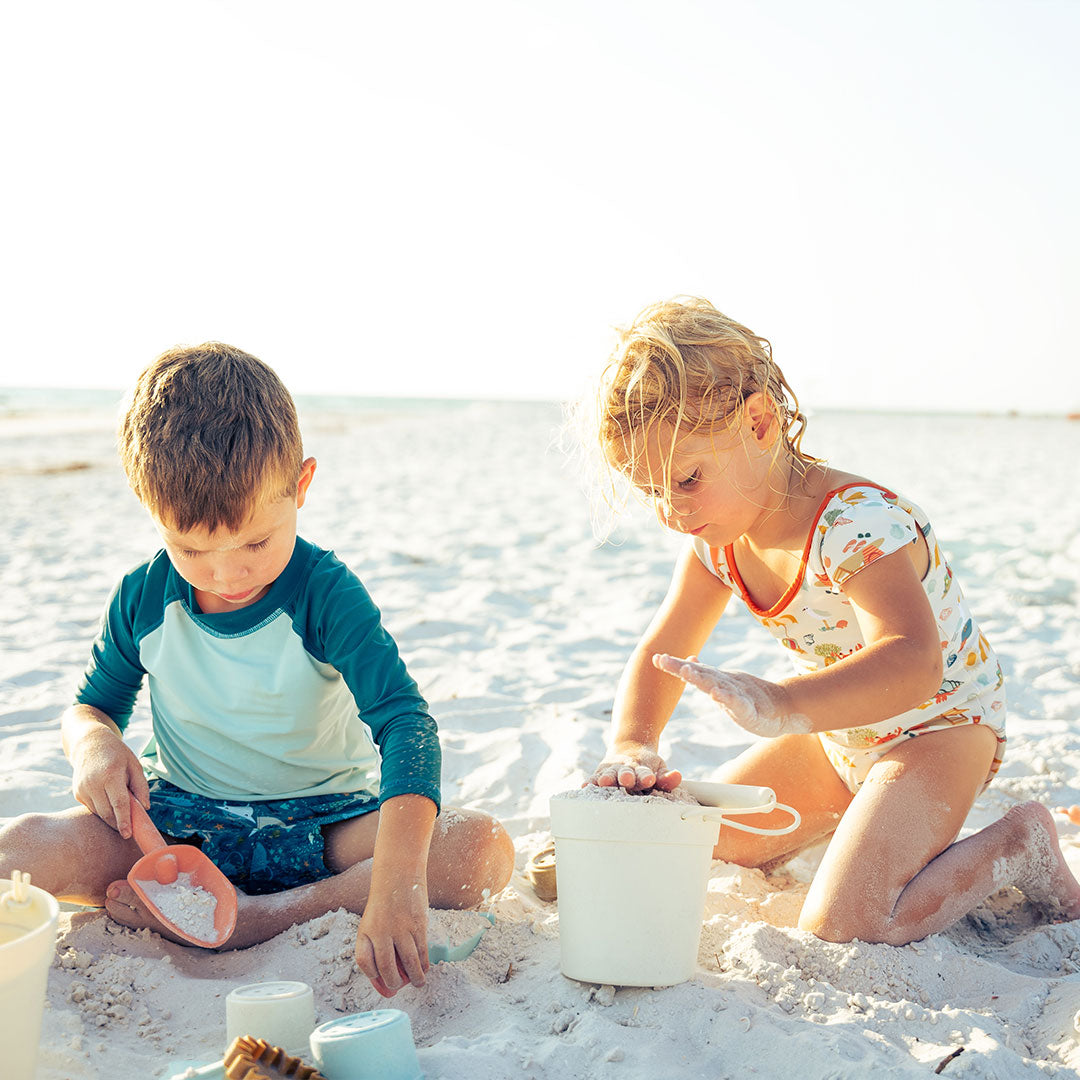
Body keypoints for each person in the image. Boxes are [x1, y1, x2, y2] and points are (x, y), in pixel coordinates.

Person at [0, 343, 514, 996]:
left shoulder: (325, 594)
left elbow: (406, 724)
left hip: (324, 830)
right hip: (175, 830)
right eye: (190, 549)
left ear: (301, 485)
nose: (226, 573)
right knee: (22, 847)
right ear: (146, 505)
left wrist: (396, 886)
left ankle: (258, 918)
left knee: (478, 849)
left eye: (255, 541)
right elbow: (91, 708)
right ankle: (205, 905)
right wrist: (95, 746)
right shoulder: (143, 597)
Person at [580, 296, 1080, 944]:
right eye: (651, 492)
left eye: (687, 479)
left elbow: (913, 660)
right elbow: (662, 647)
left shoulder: (855, 523)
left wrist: (782, 703)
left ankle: (1020, 843)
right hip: (837, 736)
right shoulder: (714, 542)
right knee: (695, 839)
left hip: (939, 728)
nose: (671, 513)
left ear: (759, 421)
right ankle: (859, 817)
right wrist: (632, 742)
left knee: (845, 923)